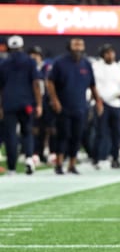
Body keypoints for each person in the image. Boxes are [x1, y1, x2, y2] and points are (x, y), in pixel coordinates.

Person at [47, 37, 104, 175]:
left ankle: (72, 164)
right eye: (75, 44)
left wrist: (98, 101)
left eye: (80, 45)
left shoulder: (86, 64)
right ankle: (59, 164)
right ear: (70, 46)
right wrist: (55, 100)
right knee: (63, 135)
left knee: (77, 136)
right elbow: (50, 82)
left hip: (80, 106)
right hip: (64, 105)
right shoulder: (60, 63)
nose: (78, 47)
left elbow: (92, 85)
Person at [0, 36, 42, 175]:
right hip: (26, 103)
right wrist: (39, 104)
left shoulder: (3, 63)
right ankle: (29, 158)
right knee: (27, 131)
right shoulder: (30, 61)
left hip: (8, 102)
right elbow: (35, 84)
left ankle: (12, 168)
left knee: (10, 135)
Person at [91, 44, 120, 169]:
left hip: (115, 103)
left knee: (116, 133)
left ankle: (115, 158)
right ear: (102, 55)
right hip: (101, 103)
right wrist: (97, 99)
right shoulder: (96, 67)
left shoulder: (118, 68)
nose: (110, 55)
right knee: (100, 132)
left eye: (112, 53)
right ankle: (97, 158)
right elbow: (93, 85)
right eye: (107, 53)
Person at [28, 45, 54, 165]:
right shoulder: (28, 68)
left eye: (36, 55)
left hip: (47, 100)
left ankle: (49, 151)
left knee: (49, 128)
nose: (34, 58)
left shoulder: (47, 68)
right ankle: (35, 152)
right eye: (32, 55)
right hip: (33, 101)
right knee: (35, 129)